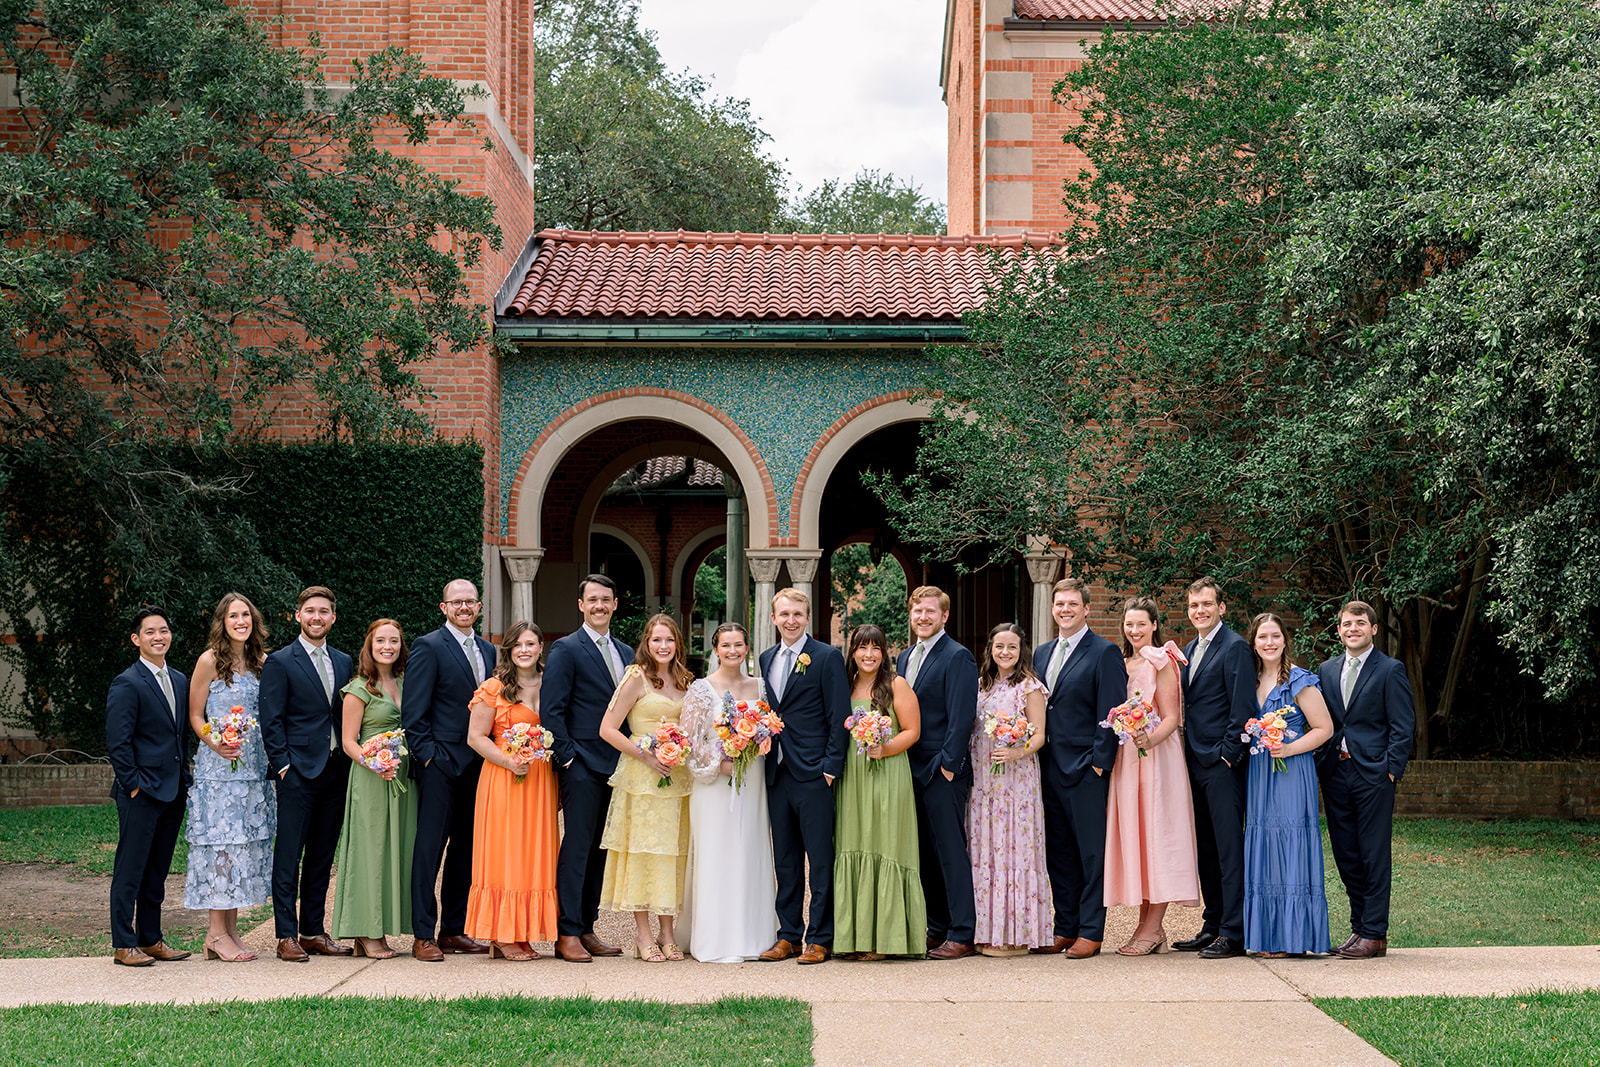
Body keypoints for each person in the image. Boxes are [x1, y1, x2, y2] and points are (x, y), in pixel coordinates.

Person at [1029, 578, 1125, 960]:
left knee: (1090, 854)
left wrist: (1099, 765)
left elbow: (1112, 712)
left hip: (1086, 769)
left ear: (1086, 609)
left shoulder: (1104, 652)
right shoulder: (1041, 652)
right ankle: (1064, 926)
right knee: (1059, 853)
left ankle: (1090, 930)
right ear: (1053, 609)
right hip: (1047, 766)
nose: (1065, 610)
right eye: (1059, 604)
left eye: (1072, 604)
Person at [401, 579, 495, 961]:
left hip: (480, 765)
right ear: (443, 607)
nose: (463, 608)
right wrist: (428, 757)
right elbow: (414, 712)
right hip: (439, 764)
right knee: (429, 850)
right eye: (456, 602)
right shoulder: (428, 646)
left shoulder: (489, 650)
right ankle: (424, 933)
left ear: (478, 606)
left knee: (466, 850)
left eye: (469, 602)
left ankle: (454, 929)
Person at [259, 586, 353, 963]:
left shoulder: (345, 661)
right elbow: (271, 718)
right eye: (310, 611)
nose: (317, 617)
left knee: (321, 855)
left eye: (324, 612)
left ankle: (313, 930)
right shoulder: (281, 661)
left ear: (333, 618)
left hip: (335, 770)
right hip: (297, 772)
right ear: (297, 616)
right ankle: (285, 935)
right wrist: (283, 765)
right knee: (289, 855)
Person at [1317, 600, 1415, 960]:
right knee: (1346, 854)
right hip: (1336, 772)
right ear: (1339, 630)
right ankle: (1359, 928)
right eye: (1346, 624)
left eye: (1360, 623)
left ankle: (1375, 933)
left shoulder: (1390, 669)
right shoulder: (1327, 670)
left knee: (1373, 853)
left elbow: (1403, 726)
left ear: (1373, 629)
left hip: (1374, 774)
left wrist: (1391, 769)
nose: (1352, 628)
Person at [1103, 597, 1200, 955]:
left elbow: (1173, 716)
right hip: (1127, 758)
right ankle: (1147, 925)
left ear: (1155, 625)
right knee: (1139, 838)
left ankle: (1153, 925)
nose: (1134, 631)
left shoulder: (1163, 660)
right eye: (1129, 625)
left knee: (1158, 835)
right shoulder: (1121, 661)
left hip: (1157, 756)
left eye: (1141, 624)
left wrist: (1149, 738)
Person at [757, 587, 850, 965]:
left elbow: (838, 716)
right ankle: (789, 935)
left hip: (814, 774)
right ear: (774, 617)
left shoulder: (826, 657)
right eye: (784, 614)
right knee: (787, 860)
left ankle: (820, 937)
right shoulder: (765, 659)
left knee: (820, 859)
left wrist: (830, 769)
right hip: (776, 772)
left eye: (797, 614)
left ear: (807, 617)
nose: (790, 620)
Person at [542, 573, 632, 963]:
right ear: (581, 605)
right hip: (580, 763)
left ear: (615, 605)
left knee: (601, 849)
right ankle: (567, 932)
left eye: (605, 600)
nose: (599, 606)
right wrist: (567, 758)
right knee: (577, 848)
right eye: (592, 599)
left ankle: (589, 926)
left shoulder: (628, 653)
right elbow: (552, 709)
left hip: (617, 765)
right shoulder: (566, 648)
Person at [183, 593, 275, 962]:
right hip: (219, 772)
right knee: (220, 848)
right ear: (222, 621)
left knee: (241, 848)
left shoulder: (261, 663)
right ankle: (215, 933)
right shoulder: (208, 661)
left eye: (247, 615)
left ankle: (230, 932)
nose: (241, 621)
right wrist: (216, 742)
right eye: (234, 616)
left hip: (252, 770)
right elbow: (194, 715)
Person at [597, 613, 694, 962]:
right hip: (642, 777)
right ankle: (642, 935)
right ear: (646, 643)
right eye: (656, 640)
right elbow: (608, 729)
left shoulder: (686, 680)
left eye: (669, 640)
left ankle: (668, 932)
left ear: (677, 644)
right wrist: (647, 754)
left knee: (671, 852)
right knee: (643, 851)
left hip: (677, 778)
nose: (663, 646)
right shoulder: (636, 677)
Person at [679, 622, 778, 963]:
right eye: (726, 645)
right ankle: (715, 937)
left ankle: (753, 934)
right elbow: (689, 743)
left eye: (739, 645)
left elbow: (771, 730)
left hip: (753, 782)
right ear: (716, 649)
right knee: (717, 851)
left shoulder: (761, 687)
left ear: (747, 648)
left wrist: (757, 744)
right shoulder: (701, 690)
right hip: (714, 787)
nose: (733, 651)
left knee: (749, 849)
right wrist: (719, 762)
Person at [464, 621, 560, 960]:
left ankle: (523, 932)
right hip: (504, 778)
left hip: (540, 780)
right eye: (517, 645)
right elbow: (475, 737)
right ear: (508, 649)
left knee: (534, 853)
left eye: (531, 644)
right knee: (506, 851)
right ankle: (501, 935)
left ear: (540, 648)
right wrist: (508, 762)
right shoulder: (494, 687)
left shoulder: (551, 683)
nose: (524, 650)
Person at [105, 606, 193, 967]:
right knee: (131, 869)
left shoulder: (180, 679)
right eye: (150, 632)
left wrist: (184, 777)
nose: (159, 637)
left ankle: (151, 938)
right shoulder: (127, 682)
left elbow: (180, 734)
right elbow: (118, 742)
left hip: (173, 791)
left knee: (157, 870)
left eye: (164, 630)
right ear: (136, 639)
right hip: (141, 792)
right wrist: (133, 785)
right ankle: (123, 944)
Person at [834, 624, 927, 960]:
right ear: (852, 651)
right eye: (861, 647)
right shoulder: (842, 684)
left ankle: (886, 939)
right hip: (852, 778)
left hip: (888, 773)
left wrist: (885, 748)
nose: (868, 654)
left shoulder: (896, 685)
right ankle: (852, 937)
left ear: (884, 651)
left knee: (886, 844)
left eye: (875, 648)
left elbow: (913, 731)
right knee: (854, 843)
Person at [897, 585, 980, 961]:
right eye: (918, 612)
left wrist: (948, 766)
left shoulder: (957, 656)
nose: (923, 618)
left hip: (942, 770)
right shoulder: (904, 657)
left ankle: (962, 932)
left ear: (944, 616)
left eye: (931, 612)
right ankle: (938, 926)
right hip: (908, 768)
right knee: (924, 853)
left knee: (949, 851)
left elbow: (962, 717)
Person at [1175, 576, 1257, 960]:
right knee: (1205, 847)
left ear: (1221, 608)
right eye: (1193, 606)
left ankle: (1233, 931)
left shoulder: (1236, 647)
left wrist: (1228, 755)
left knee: (1228, 848)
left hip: (1221, 764)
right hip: (1193, 761)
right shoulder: (1190, 648)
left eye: (1207, 604)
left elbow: (1242, 707)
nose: (1200, 611)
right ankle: (1212, 924)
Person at [1243, 612, 1333, 957]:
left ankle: (1293, 939)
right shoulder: (1249, 681)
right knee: (1264, 844)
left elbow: (1324, 729)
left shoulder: (1300, 681)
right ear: (1254, 642)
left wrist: (1289, 748)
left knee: (1291, 845)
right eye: (1262, 637)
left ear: (1285, 641)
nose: (1269, 643)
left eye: (1275, 636)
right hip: (1259, 773)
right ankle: (1266, 938)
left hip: (1292, 772)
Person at [329, 619, 417, 959]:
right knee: (370, 852)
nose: (387, 646)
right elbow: (349, 742)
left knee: (398, 850)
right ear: (369, 645)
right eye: (381, 640)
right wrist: (374, 763)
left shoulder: (408, 683)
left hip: (404, 779)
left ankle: (390, 922)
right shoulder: (358, 689)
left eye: (394, 641)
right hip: (371, 778)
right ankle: (366, 931)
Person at [967, 622, 1051, 956]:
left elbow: (1040, 736)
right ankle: (986, 931)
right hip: (984, 783)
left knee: (1013, 849)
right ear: (990, 648)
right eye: (999, 646)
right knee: (986, 849)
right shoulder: (981, 685)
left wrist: (1017, 751)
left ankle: (1016, 934)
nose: (1005, 652)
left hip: (1015, 783)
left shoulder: (1029, 686)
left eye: (1012, 647)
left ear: (1021, 651)